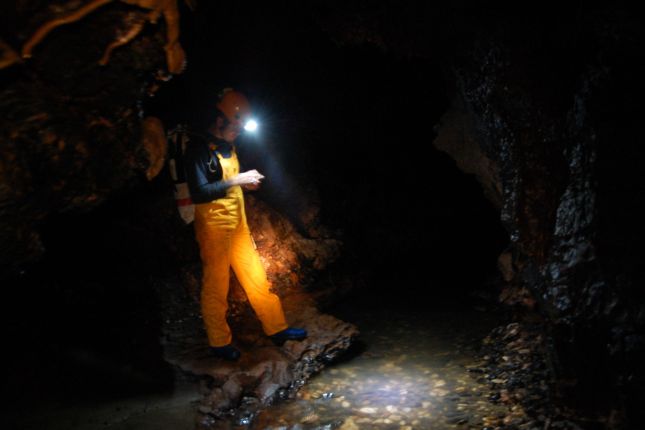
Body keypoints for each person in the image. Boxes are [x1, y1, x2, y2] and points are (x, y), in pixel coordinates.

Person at [184, 88, 307, 361]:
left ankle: (277, 328)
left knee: (256, 276)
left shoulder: (229, 145)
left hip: (238, 224)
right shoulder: (197, 149)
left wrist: (246, 184)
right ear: (219, 120)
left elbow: (228, 184)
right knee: (216, 284)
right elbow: (200, 192)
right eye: (235, 124)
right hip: (213, 226)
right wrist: (237, 180)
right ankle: (218, 342)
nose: (238, 130)